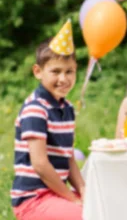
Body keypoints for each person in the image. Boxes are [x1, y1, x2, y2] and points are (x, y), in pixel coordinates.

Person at [12, 20, 85, 220]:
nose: (64, 78)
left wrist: (83, 190)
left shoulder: (66, 108)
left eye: (69, 71)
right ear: (38, 72)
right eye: (56, 71)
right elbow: (40, 164)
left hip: (55, 194)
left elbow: (67, 156)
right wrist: (71, 197)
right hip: (33, 199)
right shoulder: (36, 108)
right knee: (84, 216)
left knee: (103, 205)